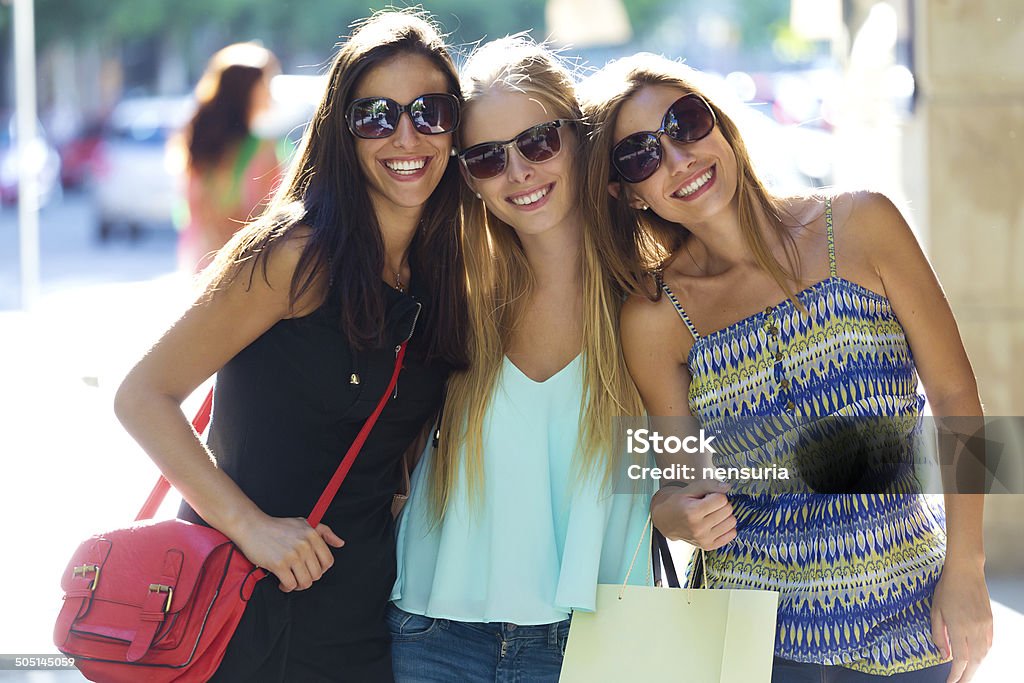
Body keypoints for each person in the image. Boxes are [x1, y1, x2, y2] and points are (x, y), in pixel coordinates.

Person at [579, 54, 992, 682]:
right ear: (625, 191)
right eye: (641, 155)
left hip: (905, 620)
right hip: (745, 640)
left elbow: (957, 394)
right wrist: (673, 513)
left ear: (717, 123)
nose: (678, 158)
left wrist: (966, 569)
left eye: (685, 123)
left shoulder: (860, 225)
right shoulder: (655, 315)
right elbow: (682, 482)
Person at [114, 10, 468, 681]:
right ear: (342, 127)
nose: (406, 135)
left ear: (456, 125)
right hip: (236, 616)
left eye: (430, 111)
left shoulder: (444, 275)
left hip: (359, 621)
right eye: (376, 116)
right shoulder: (297, 255)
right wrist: (251, 526)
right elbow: (142, 394)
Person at [387, 37, 651, 682]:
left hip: (597, 640)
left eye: (538, 142)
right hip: (433, 634)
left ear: (580, 137)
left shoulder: (653, 296)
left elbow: (700, 450)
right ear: (468, 179)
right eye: (486, 159)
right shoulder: (452, 297)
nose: (519, 173)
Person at [173, 42, 287, 272]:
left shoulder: (198, 140)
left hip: (203, 265)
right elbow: (271, 217)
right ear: (248, 90)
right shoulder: (264, 149)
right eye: (266, 83)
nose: (270, 93)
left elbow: (191, 207)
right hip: (247, 269)